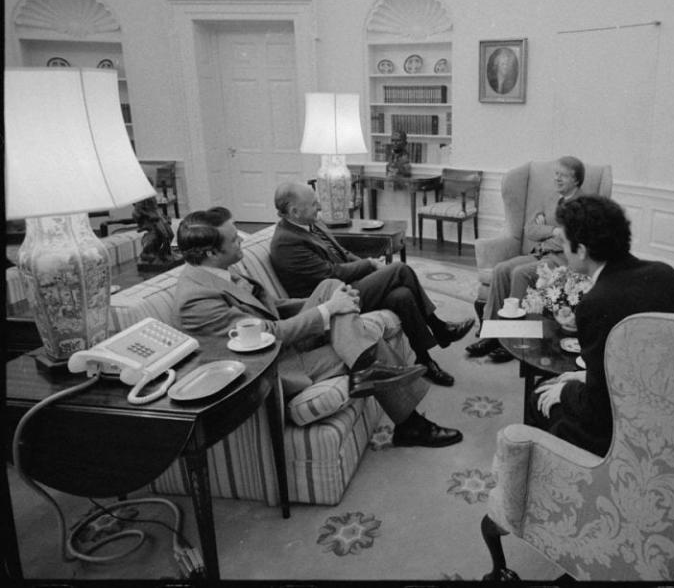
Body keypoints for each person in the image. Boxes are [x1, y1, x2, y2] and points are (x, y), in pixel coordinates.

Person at [174, 206, 462, 448]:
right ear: (211, 253)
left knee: (331, 287)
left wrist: (328, 301)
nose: (241, 242)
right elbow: (263, 336)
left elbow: (274, 307)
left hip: (284, 341)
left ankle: (370, 373)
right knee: (367, 340)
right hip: (276, 366)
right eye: (234, 240)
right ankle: (410, 423)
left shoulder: (216, 271)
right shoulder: (196, 298)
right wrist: (327, 309)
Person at [529, 195, 674, 457]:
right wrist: (588, 376)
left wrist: (567, 391)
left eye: (565, 245)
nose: (565, 253)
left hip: (631, 434)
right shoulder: (665, 273)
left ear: (581, 250)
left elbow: (599, 410)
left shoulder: (596, 303)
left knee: (539, 397)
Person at [269, 182, 474, 387]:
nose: (320, 206)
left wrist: (372, 266)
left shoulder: (310, 223)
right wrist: (368, 264)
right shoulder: (286, 242)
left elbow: (343, 254)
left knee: (402, 295)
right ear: (294, 211)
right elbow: (331, 273)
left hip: (347, 285)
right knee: (400, 269)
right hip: (331, 302)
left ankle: (425, 359)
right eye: (314, 204)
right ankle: (440, 329)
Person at [466, 156, 585, 362]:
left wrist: (547, 232)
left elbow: (571, 240)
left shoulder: (583, 204)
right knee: (502, 269)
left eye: (563, 176)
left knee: (520, 273)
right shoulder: (550, 197)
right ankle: (492, 334)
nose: (557, 179)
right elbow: (530, 230)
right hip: (539, 253)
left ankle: (512, 339)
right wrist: (555, 230)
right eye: (556, 174)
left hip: (561, 259)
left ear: (576, 180)